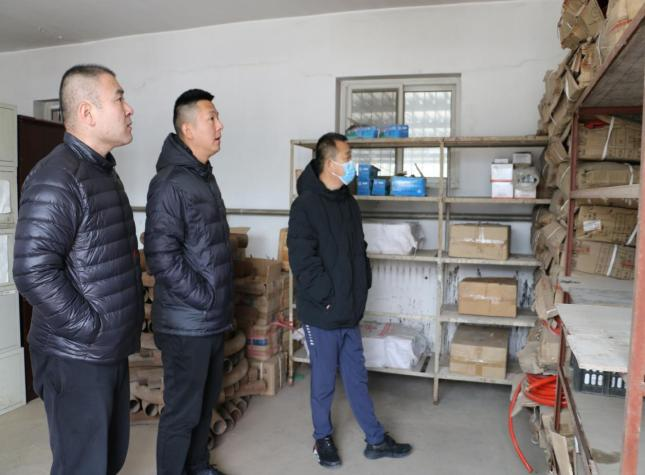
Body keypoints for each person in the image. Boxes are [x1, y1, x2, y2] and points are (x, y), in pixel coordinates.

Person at [13, 64, 143, 475]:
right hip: (76, 354)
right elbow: (33, 270)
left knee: (106, 458)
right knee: (83, 465)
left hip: (104, 349)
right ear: (87, 112)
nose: (129, 108)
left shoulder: (100, 170)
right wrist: (91, 327)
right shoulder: (58, 176)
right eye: (119, 98)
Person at [287, 132, 413, 468]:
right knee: (324, 383)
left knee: (357, 379)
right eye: (347, 157)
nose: (352, 163)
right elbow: (303, 262)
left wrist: (362, 286)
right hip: (323, 312)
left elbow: (359, 249)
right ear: (330, 164)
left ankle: (375, 439)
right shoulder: (305, 206)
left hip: (349, 310)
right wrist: (328, 298)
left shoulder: (348, 203)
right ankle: (322, 439)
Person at [144, 89, 233, 475]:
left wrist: (214, 304)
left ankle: (198, 466)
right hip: (187, 323)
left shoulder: (202, 177)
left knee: (204, 404)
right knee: (182, 412)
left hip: (209, 320)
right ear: (188, 129)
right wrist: (205, 297)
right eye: (211, 118)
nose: (220, 125)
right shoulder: (170, 183)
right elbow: (161, 256)